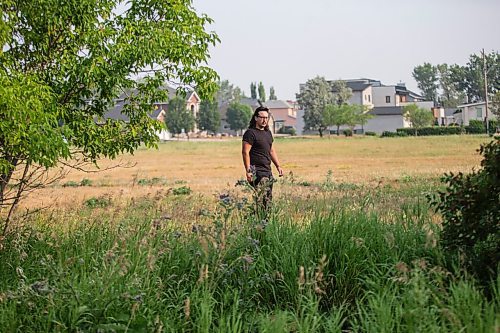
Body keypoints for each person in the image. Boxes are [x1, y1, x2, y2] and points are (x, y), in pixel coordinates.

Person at [242, 106, 284, 211]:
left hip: (267, 171)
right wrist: (248, 171)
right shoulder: (250, 133)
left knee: (267, 201)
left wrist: (278, 166)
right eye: (262, 117)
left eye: (266, 118)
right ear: (256, 118)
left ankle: (261, 223)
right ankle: (258, 223)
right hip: (257, 172)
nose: (265, 120)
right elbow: (245, 152)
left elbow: (271, 150)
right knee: (262, 201)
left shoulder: (267, 133)